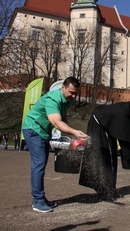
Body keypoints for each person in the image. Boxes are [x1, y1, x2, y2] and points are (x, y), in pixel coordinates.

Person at [22, 77, 88, 213]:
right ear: (62, 88)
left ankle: (41, 198)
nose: (74, 96)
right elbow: (56, 122)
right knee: (38, 164)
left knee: (42, 162)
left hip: (43, 132)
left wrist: (69, 134)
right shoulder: (52, 99)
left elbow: (63, 117)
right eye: (71, 92)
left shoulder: (68, 99)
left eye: (76, 93)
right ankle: (38, 201)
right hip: (33, 128)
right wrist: (74, 132)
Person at [79, 100, 130, 201]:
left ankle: (108, 189)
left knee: (112, 157)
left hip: (106, 127)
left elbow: (128, 134)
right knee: (105, 158)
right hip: (99, 127)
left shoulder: (127, 111)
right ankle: (106, 191)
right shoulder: (122, 115)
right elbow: (125, 140)